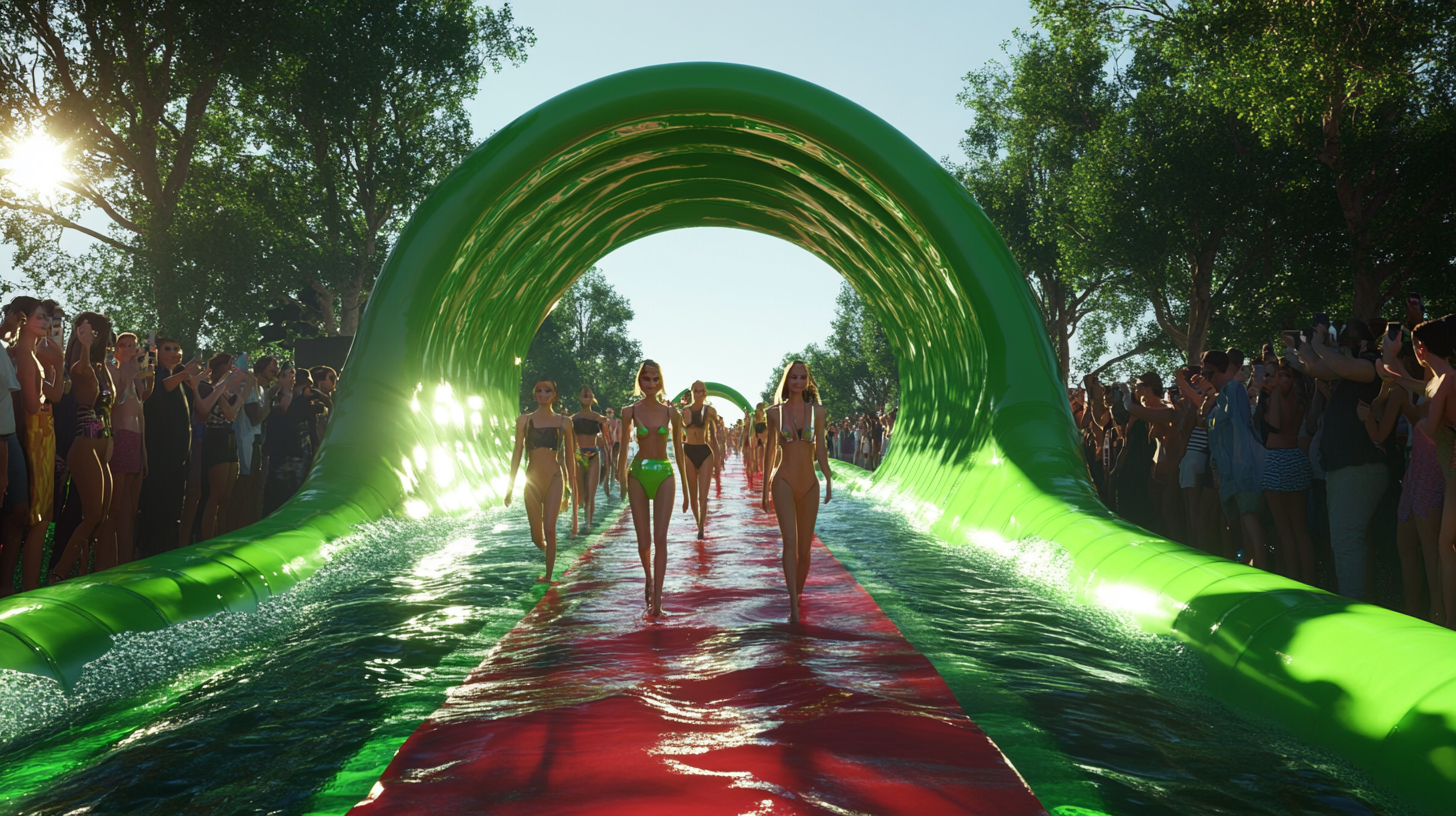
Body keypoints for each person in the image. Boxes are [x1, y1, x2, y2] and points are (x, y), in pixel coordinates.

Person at [1299, 319, 1386, 598]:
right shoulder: (1348, 369)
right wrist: (1304, 343)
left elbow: (1341, 366)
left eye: (1346, 340)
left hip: (1358, 466)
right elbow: (1314, 367)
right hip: (1343, 467)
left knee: (1348, 540)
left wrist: (1317, 344)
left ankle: (1354, 608)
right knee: (1347, 540)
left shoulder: (1372, 363)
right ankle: (1359, 602)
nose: (1342, 346)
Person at [762, 360, 832, 624]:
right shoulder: (774, 413)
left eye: (803, 377)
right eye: (793, 377)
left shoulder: (818, 412)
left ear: (808, 381)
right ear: (786, 380)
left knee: (806, 550)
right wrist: (763, 490)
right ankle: (793, 605)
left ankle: (799, 593)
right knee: (790, 543)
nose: (798, 382)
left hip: (810, 483)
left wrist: (827, 477)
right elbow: (770, 450)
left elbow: (821, 449)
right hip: (783, 481)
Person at [618, 361, 685, 616]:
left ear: (661, 381)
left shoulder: (672, 414)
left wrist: (687, 491)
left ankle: (657, 602)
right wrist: (620, 478)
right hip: (638, 473)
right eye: (646, 379)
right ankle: (649, 576)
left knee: (660, 539)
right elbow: (623, 449)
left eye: (655, 379)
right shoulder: (629, 412)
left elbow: (678, 452)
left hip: (665, 473)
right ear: (640, 381)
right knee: (644, 541)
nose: (651, 384)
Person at [52, 315, 116, 581]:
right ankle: (57, 574)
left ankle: (95, 574)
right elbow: (79, 369)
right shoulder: (81, 367)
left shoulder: (101, 368)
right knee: (91, 517)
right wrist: (85, 344)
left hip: (102, 446)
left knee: (102, 518)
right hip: (85, 445)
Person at [506, 380, 577, 584]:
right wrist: (510, 487)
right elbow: (517, 453)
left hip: (555, 478)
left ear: (554, 395)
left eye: (548, 391)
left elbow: (570, 457)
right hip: (532, 482)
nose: (542, 394)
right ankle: (551, 553)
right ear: (534, 393)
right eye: (539, 390)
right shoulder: (524, 420)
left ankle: (548, 575)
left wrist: (571, 488)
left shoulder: (565, 422)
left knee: (550, 529)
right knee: (537, 537)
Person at [1203, 349, 1268, 569]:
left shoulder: (1234, 389)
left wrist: (1241, 467)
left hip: (1242, 467)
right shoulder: (1222, 395)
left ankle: (1262, 567)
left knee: (1249, 515)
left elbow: (1241, 427)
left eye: (1206, 371)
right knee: (1240, 517)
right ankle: (1249, 563)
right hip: (1229, 468)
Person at [95, 332, 146, 568]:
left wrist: (144, 450)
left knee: (130, 508)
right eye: (122, 346)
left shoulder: (136, 375)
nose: (127, 349)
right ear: (115, 350)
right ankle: (107, 561)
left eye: (131, 346)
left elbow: (140, 410)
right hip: (120, 436)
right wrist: (126, 375)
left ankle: (125, 560)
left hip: (135, 439)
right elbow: (116, 403)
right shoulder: (113, 370)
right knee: (115, 507)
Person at [1261, 361, 1315, 583]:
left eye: (1283, 376)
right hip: (1295, 458)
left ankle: (1294, 581)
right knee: (1297, 528)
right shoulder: (1301, 401)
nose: (1276, 379)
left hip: (1278, 460)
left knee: (1286, 529)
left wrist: (1273, 391)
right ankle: (1308, 580)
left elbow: (1275, 424)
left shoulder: (1282, 398)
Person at [195, 354, 250, 542]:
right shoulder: (210, 389)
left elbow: (235, 409)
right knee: (216, 493)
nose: (232, 368)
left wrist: (250, 383)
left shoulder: (226, 391)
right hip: (215, 437)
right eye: (229, 365)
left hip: (229, 437)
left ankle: (223, 535)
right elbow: (230, 412)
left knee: (227, 495)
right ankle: (207, 538)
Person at [230, 356, 280, 532]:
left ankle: (249, 524)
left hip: (256, 441)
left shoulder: (260, 389)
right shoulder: (251, 387)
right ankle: (239, 526)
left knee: (255, 487)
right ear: (262, 367)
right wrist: (268, 398)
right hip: (246, 442)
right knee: (246, 487)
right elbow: (255, 418)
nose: (276, 370)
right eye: (273, 367)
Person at [0, 303, 28, 596]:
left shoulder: (7, 349)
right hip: (3, 438)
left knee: (19, 512)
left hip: (10, 436)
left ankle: (6, 585)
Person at [681, 381, 720, 540]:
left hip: (705, 452)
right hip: (689, 451)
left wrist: (718, 460)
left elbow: (715, 436)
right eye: (695, 390)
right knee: (693, 497)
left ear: (705, 393)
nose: (698, 393)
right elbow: (680, 431)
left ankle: (701, 528)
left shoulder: (710, 411)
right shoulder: (685, 411)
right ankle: (698, 523)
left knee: (702, 497)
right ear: (691, 392)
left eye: (701, 391)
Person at [571, 386, 608, 532]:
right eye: (583, 394)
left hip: (594, 455)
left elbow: (607, 443)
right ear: (579, 398)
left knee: (591, 494)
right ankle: (576, 521)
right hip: (579, 455)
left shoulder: (599, 418)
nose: (586, 396)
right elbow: (567, 443)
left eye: (589, 394)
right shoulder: (573, 419)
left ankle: (587, 525)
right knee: (580, 496)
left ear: (593, 398)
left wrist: (609, 465)